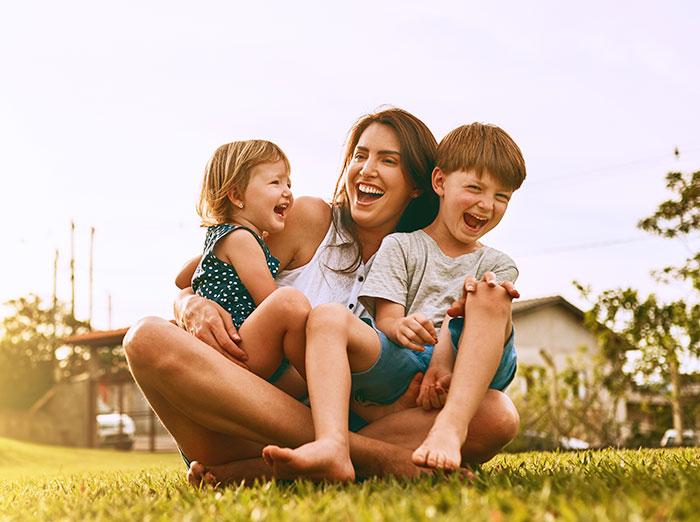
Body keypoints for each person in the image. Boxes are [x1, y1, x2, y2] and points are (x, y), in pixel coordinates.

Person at [123, 108, 520, 485]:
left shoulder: (428, 259)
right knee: (145, 337)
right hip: (241, 418)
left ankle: (280, 465)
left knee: (497, 414)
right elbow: (214, 265)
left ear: (418, 185)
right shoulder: (309, 219)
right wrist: (190, 304)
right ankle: (373, 458)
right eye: (360, 155)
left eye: (387, 160)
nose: (366, 169)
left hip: (363, 423)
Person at [262, 123, 525, 479]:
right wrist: (400, 326)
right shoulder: (401, 245)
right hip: (407, 359)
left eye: (501, 197)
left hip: (469, 367)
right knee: (327, 317)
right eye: (475, 188)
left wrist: (444, 362)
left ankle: (450, 428)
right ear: (439, 183)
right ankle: (332, 445)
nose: (485, 204)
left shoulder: (497, 264)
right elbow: (386, 318)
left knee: (489, 295)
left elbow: (467, 323)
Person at [189, 140, 307, 396]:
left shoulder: (219, 237)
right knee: (290, 302)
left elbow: (182, 279)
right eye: (275, 182)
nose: (287, 191)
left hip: (235, 349)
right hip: (240, 348)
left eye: (289, 184)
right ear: (237, 196)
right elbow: (270, 301)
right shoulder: (242, 239)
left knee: (314, 387)